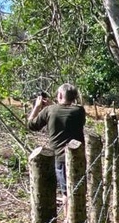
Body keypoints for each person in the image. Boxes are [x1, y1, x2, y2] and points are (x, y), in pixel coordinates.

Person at [27, 83, 86, 211]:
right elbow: (63, 113)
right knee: (76, 188)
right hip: (78, 155)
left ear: (59, 95)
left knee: (66, 192)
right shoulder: (80, 111)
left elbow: (31, 125)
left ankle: (67, 222)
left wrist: (37, 107)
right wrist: (51, 106)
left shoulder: (49, 110)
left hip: (60, 157)